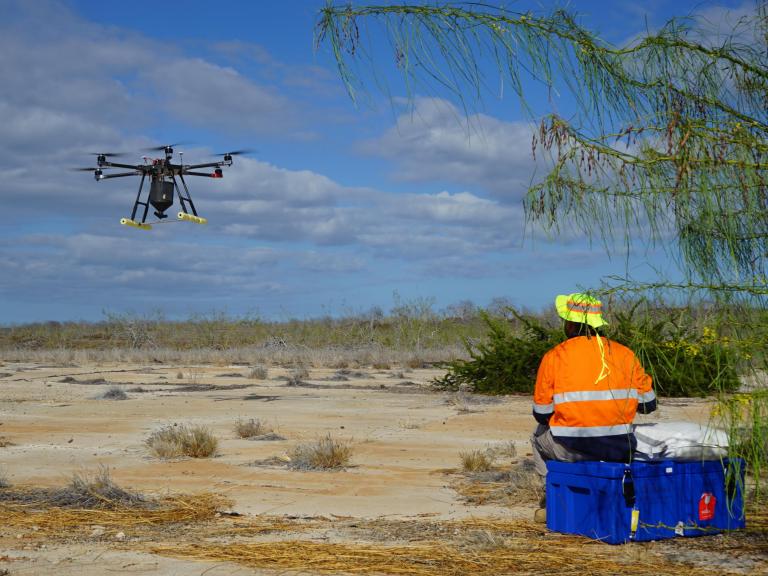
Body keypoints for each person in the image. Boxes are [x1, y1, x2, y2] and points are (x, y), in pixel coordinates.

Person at [531, 293, 657, 521]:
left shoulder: (554, 356)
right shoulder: (625, 354)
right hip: (619, 448)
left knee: (537, 436)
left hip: (570, 448)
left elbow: (541, 415)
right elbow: (649, 405)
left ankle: (551, 500)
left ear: (570, 323)